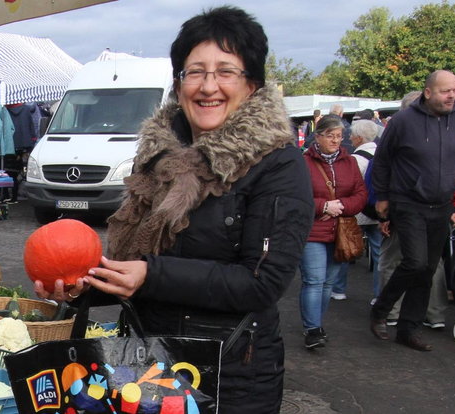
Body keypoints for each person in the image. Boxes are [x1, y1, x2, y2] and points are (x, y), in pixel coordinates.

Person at [34, 6, 313, 413]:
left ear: (252, 84)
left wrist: (150, 275)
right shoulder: (156, 157)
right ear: (179, 83)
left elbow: (262, 283)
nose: (208, 86)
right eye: (195, 71)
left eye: (225, 71)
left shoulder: (278, 164)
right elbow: (134, 261)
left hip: (229, 373)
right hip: (147, 362)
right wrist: (85, 285)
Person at [370, 70, 455, 351]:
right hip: (408, 202)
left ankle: (408, 329)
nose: (452, 96)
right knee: (415, 262)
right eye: (445, 91)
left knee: (427, 269)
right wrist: (382, 197)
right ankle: (381, 309)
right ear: (428, 92)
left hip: (442, 204)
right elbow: (383, 160)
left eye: (454, 90)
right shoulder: (403, 121)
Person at [300, 116, 367, 349]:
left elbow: (360, 194)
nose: (336, 140)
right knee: (314, 280)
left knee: (328, 283)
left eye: (339, 136)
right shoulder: (304, 163)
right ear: (317, 136)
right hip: (313, 232)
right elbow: (297, 197)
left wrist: (341, 207)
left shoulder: (349, 163)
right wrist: (323, 206)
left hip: (341, 232)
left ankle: (316, 324)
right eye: (330, 135)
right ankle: (312, 329)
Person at [330, 119, 381, 303]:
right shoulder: (383, 155)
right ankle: (378, 294)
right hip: (377, 212)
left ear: (359, 138)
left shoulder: (354, 159)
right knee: (379, 254)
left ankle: (338, 289)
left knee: (345, 248)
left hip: (357, 212)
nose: (349, 138)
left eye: (351, 135)